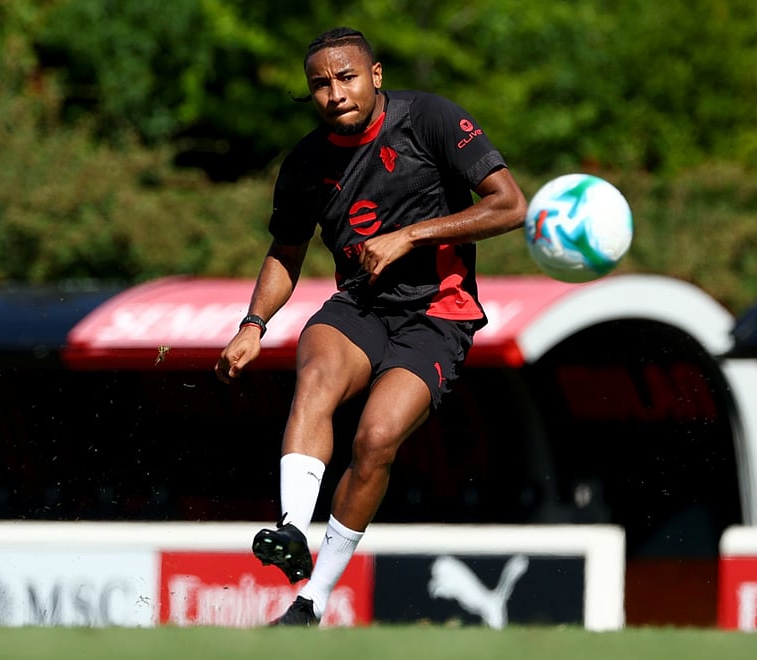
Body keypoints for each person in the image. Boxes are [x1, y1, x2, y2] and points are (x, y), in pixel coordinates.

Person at [215, 26, 527, 627]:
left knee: (376, 440)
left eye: (346, 77)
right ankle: (290, 530)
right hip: (360, 305)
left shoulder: (430, 119)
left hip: (438, 313)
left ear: (376, 75)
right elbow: (286, 251)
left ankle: (312, 600)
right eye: (320, 84)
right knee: (316, 374)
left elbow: (509, 205)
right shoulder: (305, 163)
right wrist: (252, 324)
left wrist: (410, 235)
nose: (334, 93)